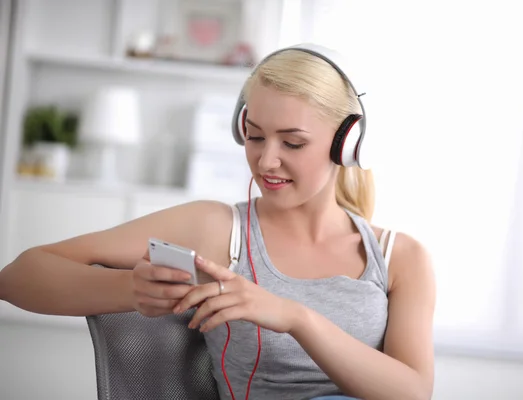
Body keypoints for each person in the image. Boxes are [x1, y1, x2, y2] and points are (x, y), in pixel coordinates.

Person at [0, 43, 436, 400]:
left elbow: (412, 392)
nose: (267, 161)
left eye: (293, 142)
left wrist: (295, 317)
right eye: (256, 136)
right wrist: (128, 290)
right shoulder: (217, 230)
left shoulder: (400, 257)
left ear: (346, 144)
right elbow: (18, 276)